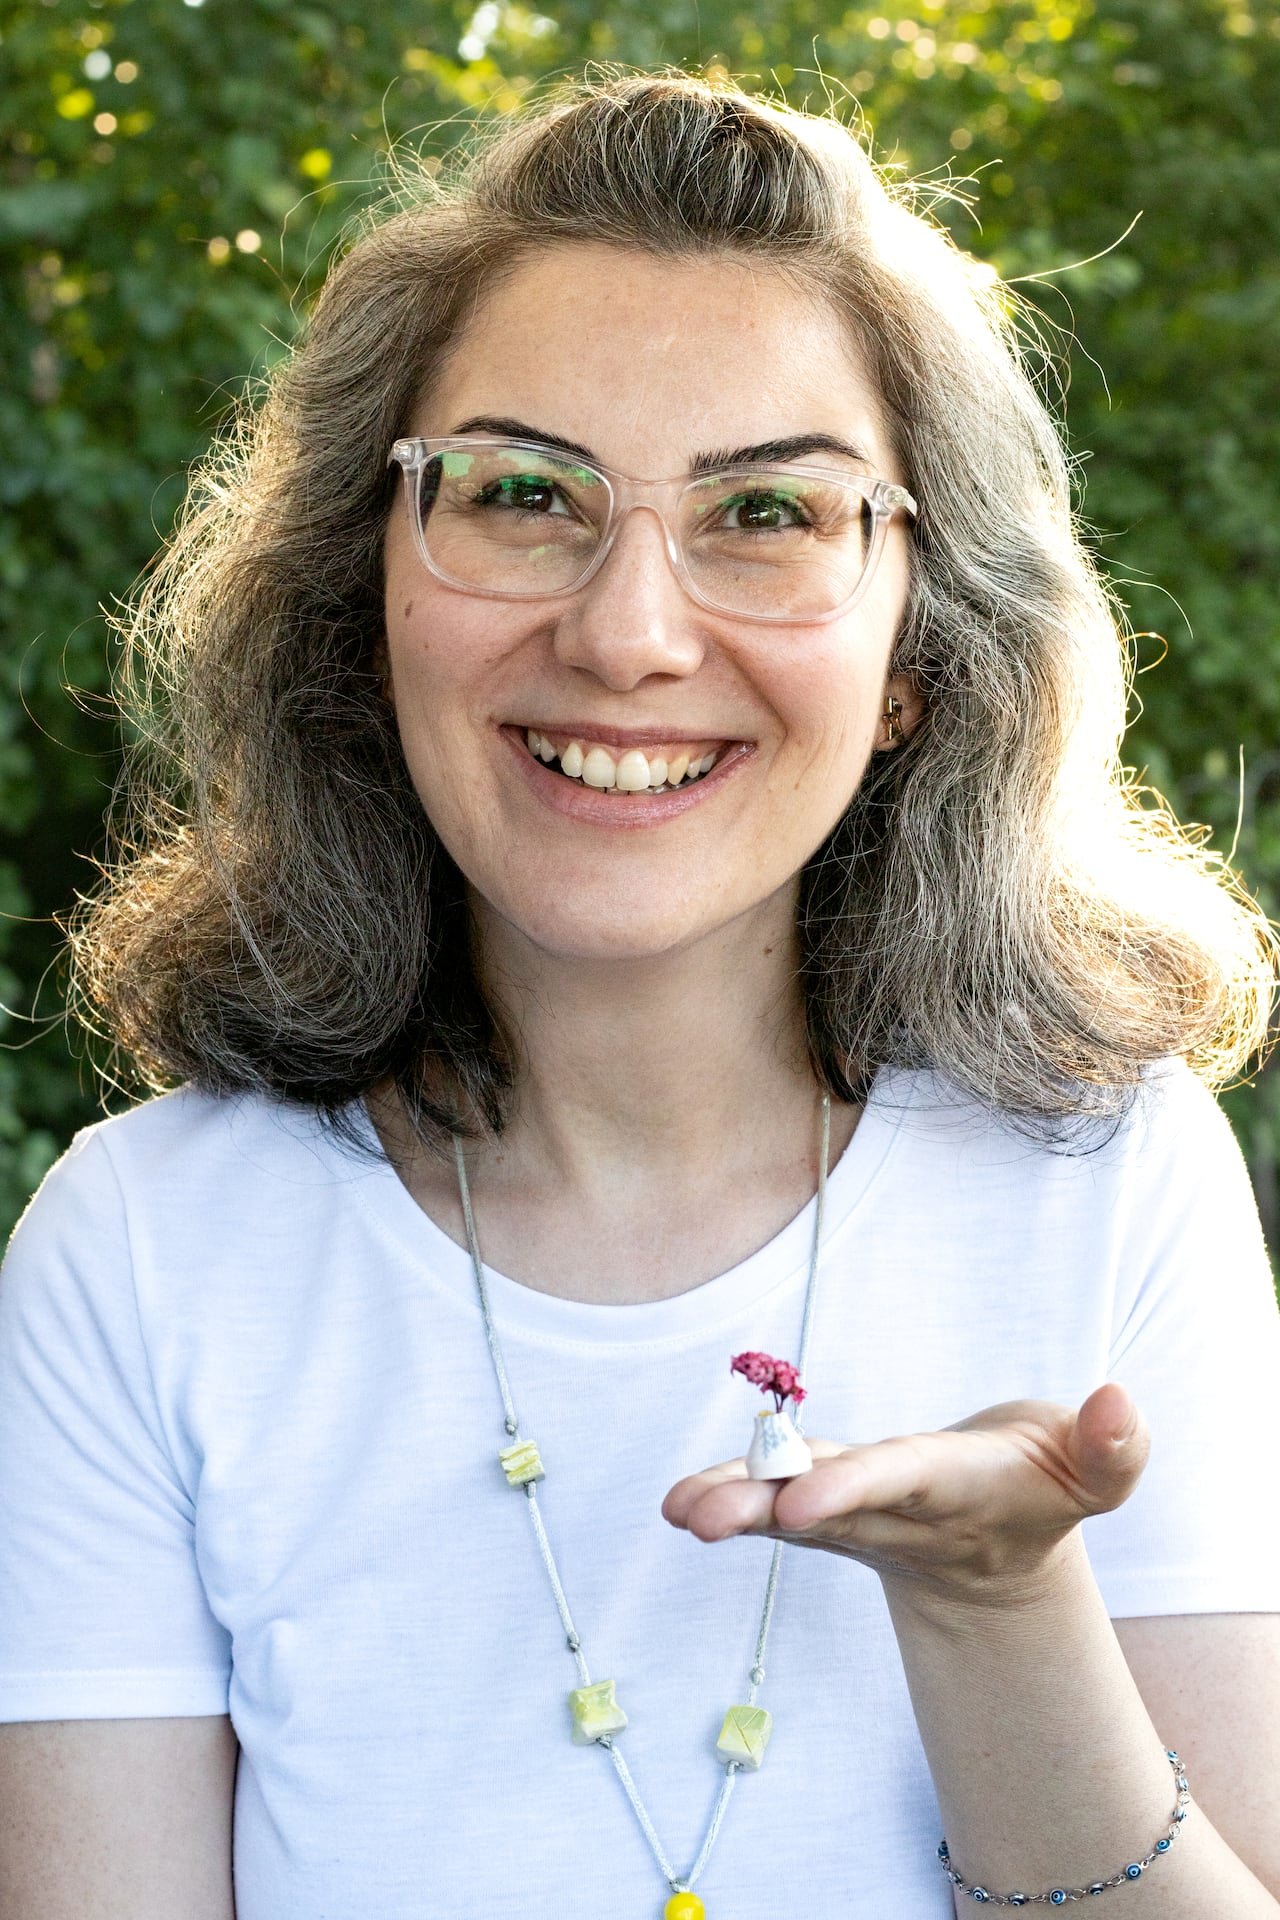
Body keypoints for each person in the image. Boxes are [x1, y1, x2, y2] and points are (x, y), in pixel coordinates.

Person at [0, 69, 1278, 1920]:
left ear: (915, 654)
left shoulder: (1111, 1182)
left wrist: (995, 1605)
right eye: (523, 494)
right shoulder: (144, 1257)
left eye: (769, 512)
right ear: (368, 592)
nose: (628, 634)